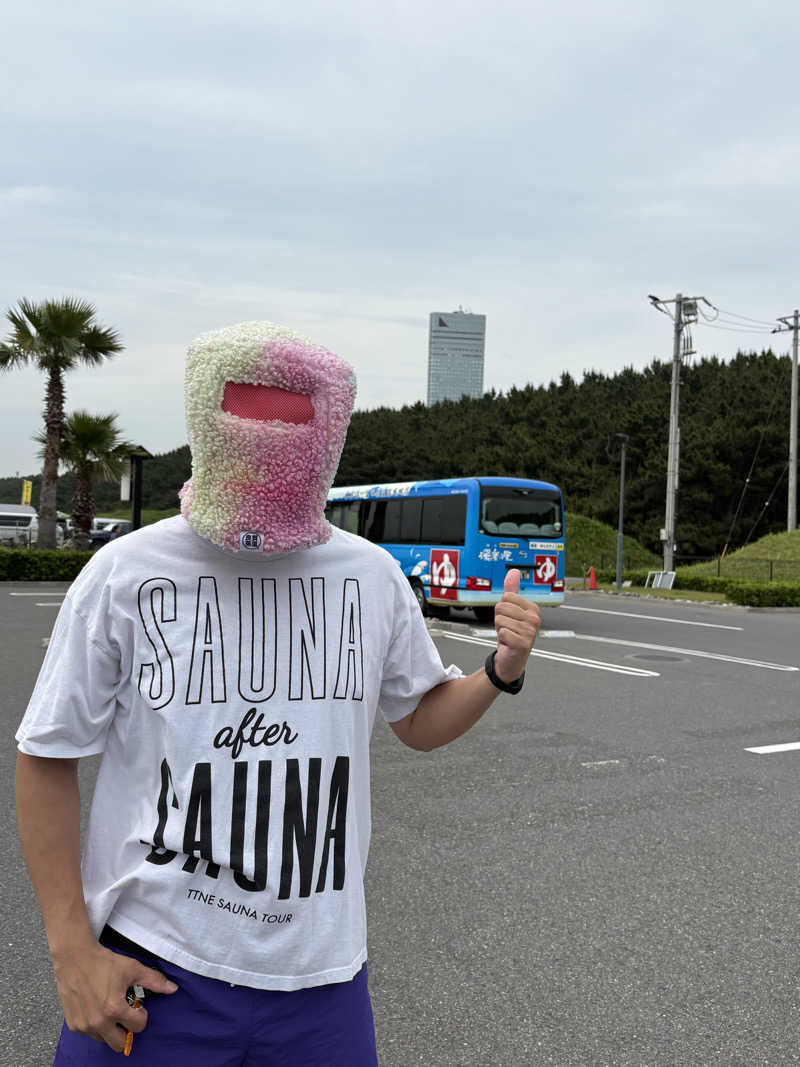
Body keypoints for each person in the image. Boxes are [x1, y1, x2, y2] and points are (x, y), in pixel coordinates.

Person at [15, 321, 541, 1065]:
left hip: (322, 980)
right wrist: (71, 948)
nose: (267, 450)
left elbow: (419, 718)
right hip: (154, 967)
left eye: (290, 421)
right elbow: (46, 752)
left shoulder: (371, 577)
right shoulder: (126, 572)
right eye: (247, 413)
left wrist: (500, 670)